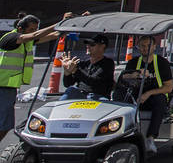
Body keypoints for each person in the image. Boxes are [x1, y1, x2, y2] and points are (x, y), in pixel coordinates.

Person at [0, 12, 73, 141]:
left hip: (8, 87)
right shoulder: (11, 38)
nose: (34, 32)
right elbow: (35, 35)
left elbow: (54, 35)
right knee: (4, 124)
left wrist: (70, 23)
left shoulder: (26, 42)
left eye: (35, 29)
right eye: (31, 29)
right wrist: (58, 23)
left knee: (5, 125)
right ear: (21, 29)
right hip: (2, 88)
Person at [120, 34, 173, 155]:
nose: (145, 48)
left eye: (148, 45)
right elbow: (123, 77)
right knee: (121, 100)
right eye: (142, 46)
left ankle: (150, 138)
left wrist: (148, 94)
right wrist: (135, 74)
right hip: (136, 96)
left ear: (154, 46)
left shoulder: (162, 63)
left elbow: (168, 87)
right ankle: (122, 135)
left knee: (159, 101)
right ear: (138, 47)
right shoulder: (133, 62)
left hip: (155, 96)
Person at [61, 33, 115, 99]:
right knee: (70, 90)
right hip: (80, 94)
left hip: (98, 96)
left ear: (102, 46)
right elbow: (67, 84)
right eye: (87, 44)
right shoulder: (83, 63)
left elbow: (93, 81)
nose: (88, 46)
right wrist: (67, 72)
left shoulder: (108, 63)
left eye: (92, 44)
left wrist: (75, 70)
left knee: (104, 100)